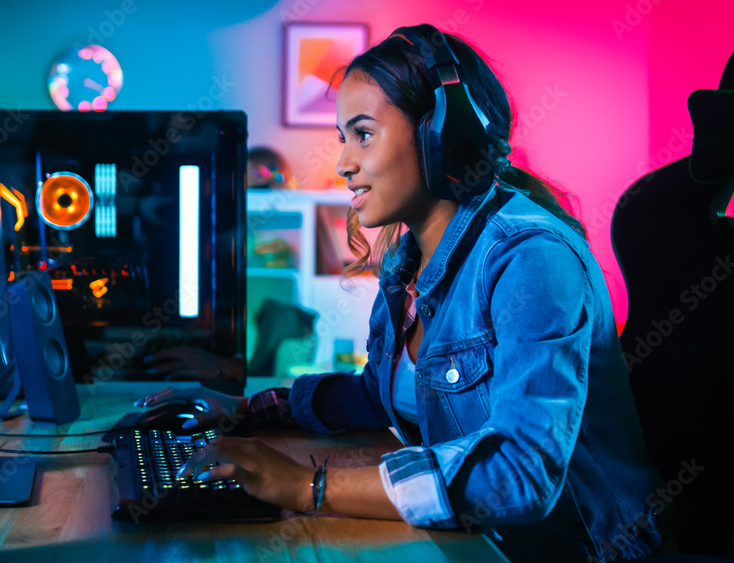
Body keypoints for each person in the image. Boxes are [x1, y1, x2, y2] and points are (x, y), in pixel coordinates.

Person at [136, 25, 665, 562]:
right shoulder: (407, 263)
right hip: (479, 545)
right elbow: (376, 394)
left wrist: (308, 487)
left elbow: (520, 470)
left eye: (363, 134)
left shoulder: (531, 259)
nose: (344, 163)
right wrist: (243, 410)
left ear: (443, 134)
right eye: (344, 138)